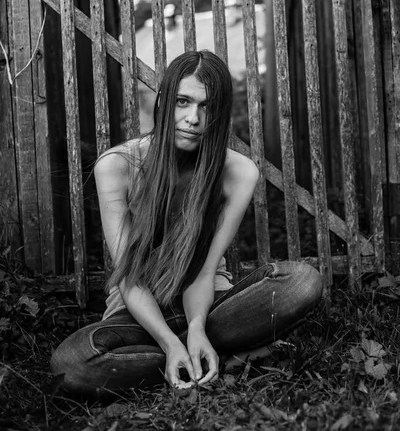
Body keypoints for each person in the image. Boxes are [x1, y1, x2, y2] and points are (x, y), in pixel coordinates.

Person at [50, 50, 323, 399]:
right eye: (183, 101)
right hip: (139, 314)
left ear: (220, 113)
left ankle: (190, 351)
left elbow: (205, 273)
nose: (193, 118)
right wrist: (167, 340)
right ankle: (211, 356)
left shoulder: (238, 172)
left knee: (302, 282)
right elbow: (130, 279)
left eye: (206, 106)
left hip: (210, 306)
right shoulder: (116, 166)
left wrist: (196, 327)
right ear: (163, 102)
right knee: (71, 363)